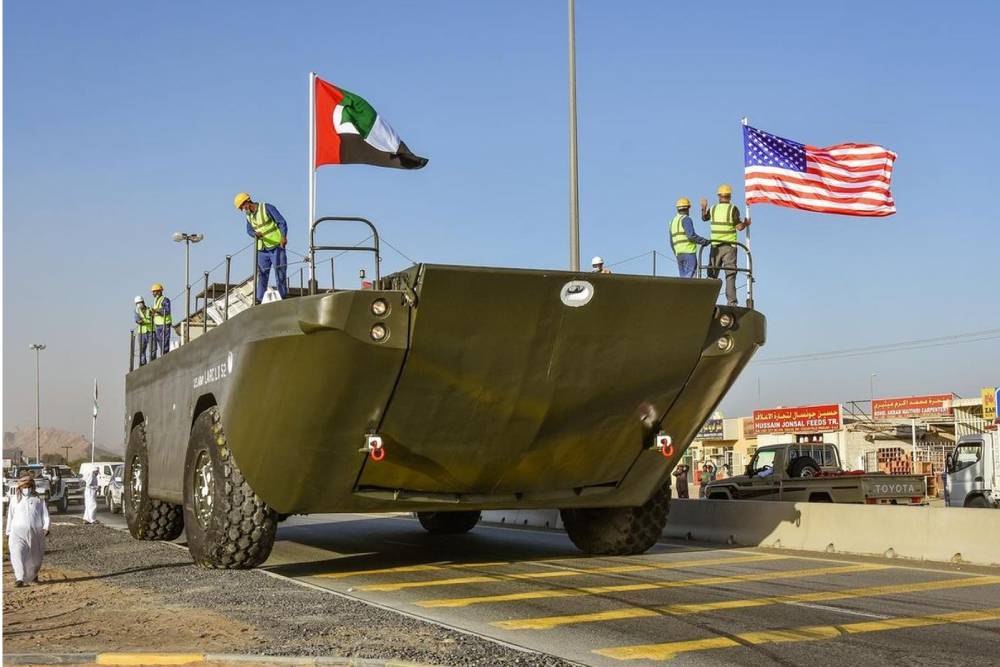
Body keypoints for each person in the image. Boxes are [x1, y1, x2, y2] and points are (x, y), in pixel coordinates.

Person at [700, 184, 750, 306]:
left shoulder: (713, 208)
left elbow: (704, 218)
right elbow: (739, 227)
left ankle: (707, 302)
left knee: (712, 276)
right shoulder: (733, 209)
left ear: (719, 196)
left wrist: (703, 208)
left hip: (715, 247)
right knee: (730, 275)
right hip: (730, 247)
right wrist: (745, 223)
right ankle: (731, 303)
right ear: (730, 196)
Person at [234, 192, 288, 303]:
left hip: (276, 246)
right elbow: (249, 230)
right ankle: (259, 299)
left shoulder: (267, 208)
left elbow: (282, 222)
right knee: (262, 274)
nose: (243, 209)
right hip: (262, 250)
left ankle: (282, 297)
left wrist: (283, 237)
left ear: (247, 201)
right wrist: (254, 234)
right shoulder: (248, 216)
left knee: (280, 272)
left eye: (242, 206)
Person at [5, 475, 50, 586]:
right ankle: (19, 578)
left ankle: (33, 575)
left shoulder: (39, 500)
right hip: (17, 532)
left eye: (29, 486)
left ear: (32, 487)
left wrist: (46, 527)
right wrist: (8, 531)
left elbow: (45, 516)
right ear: (20, 487)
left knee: (36, 557)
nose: (26, 488)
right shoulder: (14, 500)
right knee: (17, 554)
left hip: (36, 533)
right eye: (24, 486)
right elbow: (10, 516)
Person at [669, 198, 710, 278]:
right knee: (691, 279)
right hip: (689, 253)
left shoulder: (672, 222)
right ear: (688, 208)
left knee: (683, 279)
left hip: (679, 255)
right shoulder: (686, 219)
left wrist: (676, 253)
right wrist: (705, 241)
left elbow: (671, 242)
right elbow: (691, 236)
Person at [149, 283, 172, 358]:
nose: (153, 293)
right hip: (158, 325)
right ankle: (163, 355)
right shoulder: (156, 300)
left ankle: (165, 357)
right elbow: (156, 311)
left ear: (159, 291)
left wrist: (156, 310)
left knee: (165, 341)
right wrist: (153, 313)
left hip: (165, 324)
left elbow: (167, 310)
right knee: (160, 341)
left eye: (154, 291)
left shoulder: (165, 299)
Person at [134, 296, 154, 366]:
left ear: (143, 302)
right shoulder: (136, 311)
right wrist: (146, 321)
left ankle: (152, 363)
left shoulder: (149, 309)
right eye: (137, 303)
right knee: (142, 350)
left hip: (151, 331)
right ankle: (143, 364)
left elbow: (153, 317)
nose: (139, 304)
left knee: (153, 349)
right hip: (141, 332)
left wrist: (144, 321)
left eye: (140, 303)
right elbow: (138, 321)